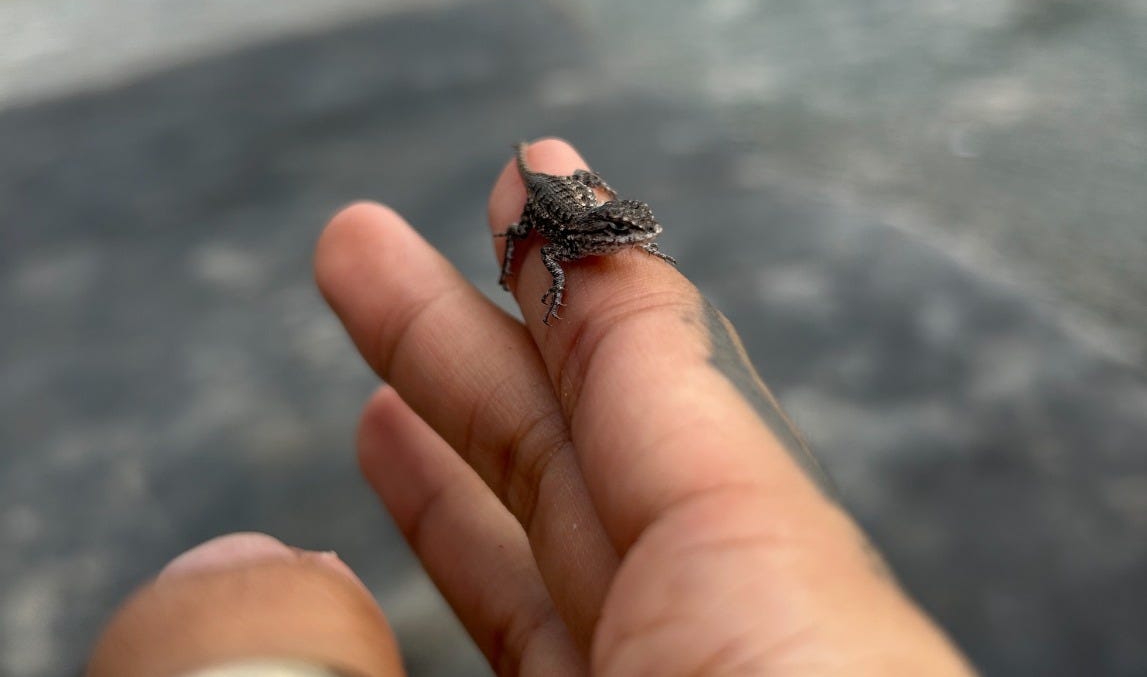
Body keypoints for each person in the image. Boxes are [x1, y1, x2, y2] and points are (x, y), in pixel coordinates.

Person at [87, 139, 975, 676]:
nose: (638, 241)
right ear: (600, 227)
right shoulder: (566, 233)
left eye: (638, 231)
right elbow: (548, 255)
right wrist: (536, 274)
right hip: (546, 208)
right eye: (628, 232)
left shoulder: (608, 233)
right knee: (521, 232)